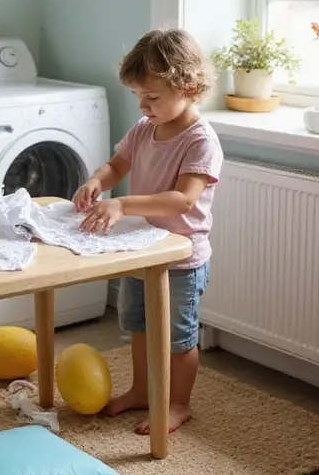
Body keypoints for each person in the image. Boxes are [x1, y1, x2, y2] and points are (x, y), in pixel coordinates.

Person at [73, 28, 222, 434]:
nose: (143, 105)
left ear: (188, 87)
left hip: (181, 258)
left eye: (152, 97)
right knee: (138, 326)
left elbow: (183, 199)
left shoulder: (201, 141)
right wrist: (97, 181)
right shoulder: (144, 128)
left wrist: (122, 204)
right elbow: (116, 165)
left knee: (179, 338)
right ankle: (142, 390)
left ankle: (178, 404)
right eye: (138, 96)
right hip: (141, 249)